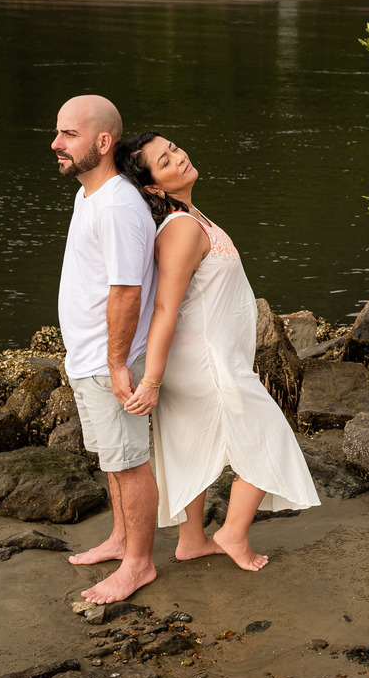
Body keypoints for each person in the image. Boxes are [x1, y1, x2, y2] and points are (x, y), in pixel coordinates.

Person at [116, 132, 319, 571]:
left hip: (210, 357)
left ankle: (191, 540)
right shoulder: (181, 229)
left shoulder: (192, 216)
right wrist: (151, 379)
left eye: (174, 147)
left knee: (193, 444)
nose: (178, 156)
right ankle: (232, 533)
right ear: (153, 187)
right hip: (206, 362)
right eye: (164, 160)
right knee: (269, 439)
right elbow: (165, 307)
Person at [52, 96, 159, 604]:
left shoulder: (117, 205)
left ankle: (138, 564)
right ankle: (120, 539)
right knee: (113, 460)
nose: (56, 144)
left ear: (102, 142)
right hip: (90, 357)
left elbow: (126, 291)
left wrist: (118, 363)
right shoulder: (90, 195)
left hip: (108, 360)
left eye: (68, 135)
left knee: (131, 461)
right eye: (58, 133)